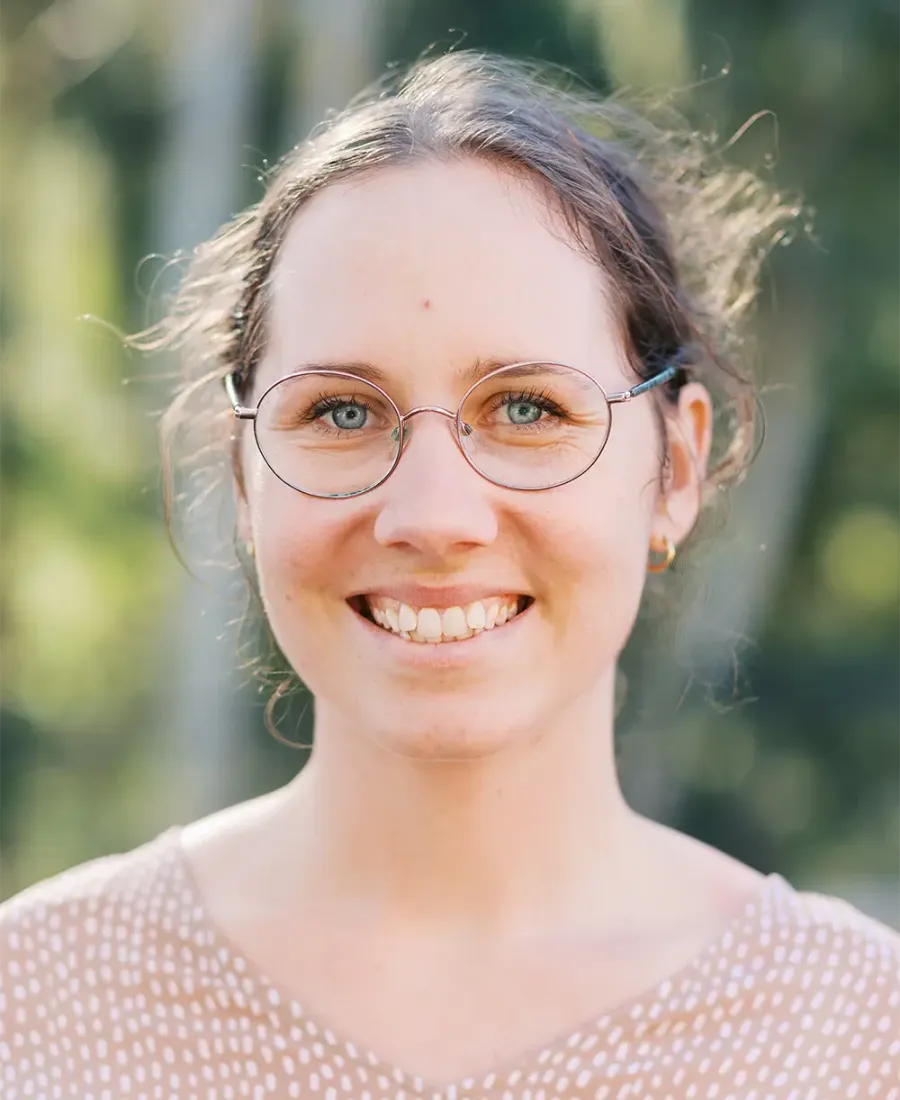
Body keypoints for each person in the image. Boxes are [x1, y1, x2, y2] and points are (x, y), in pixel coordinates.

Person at [1, 50, 898, 1100]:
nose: (432, 515)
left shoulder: (856, 1036)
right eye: (342, 411)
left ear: (678, 465)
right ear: (243, 474)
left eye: (528, 408)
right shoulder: (34, 1011)